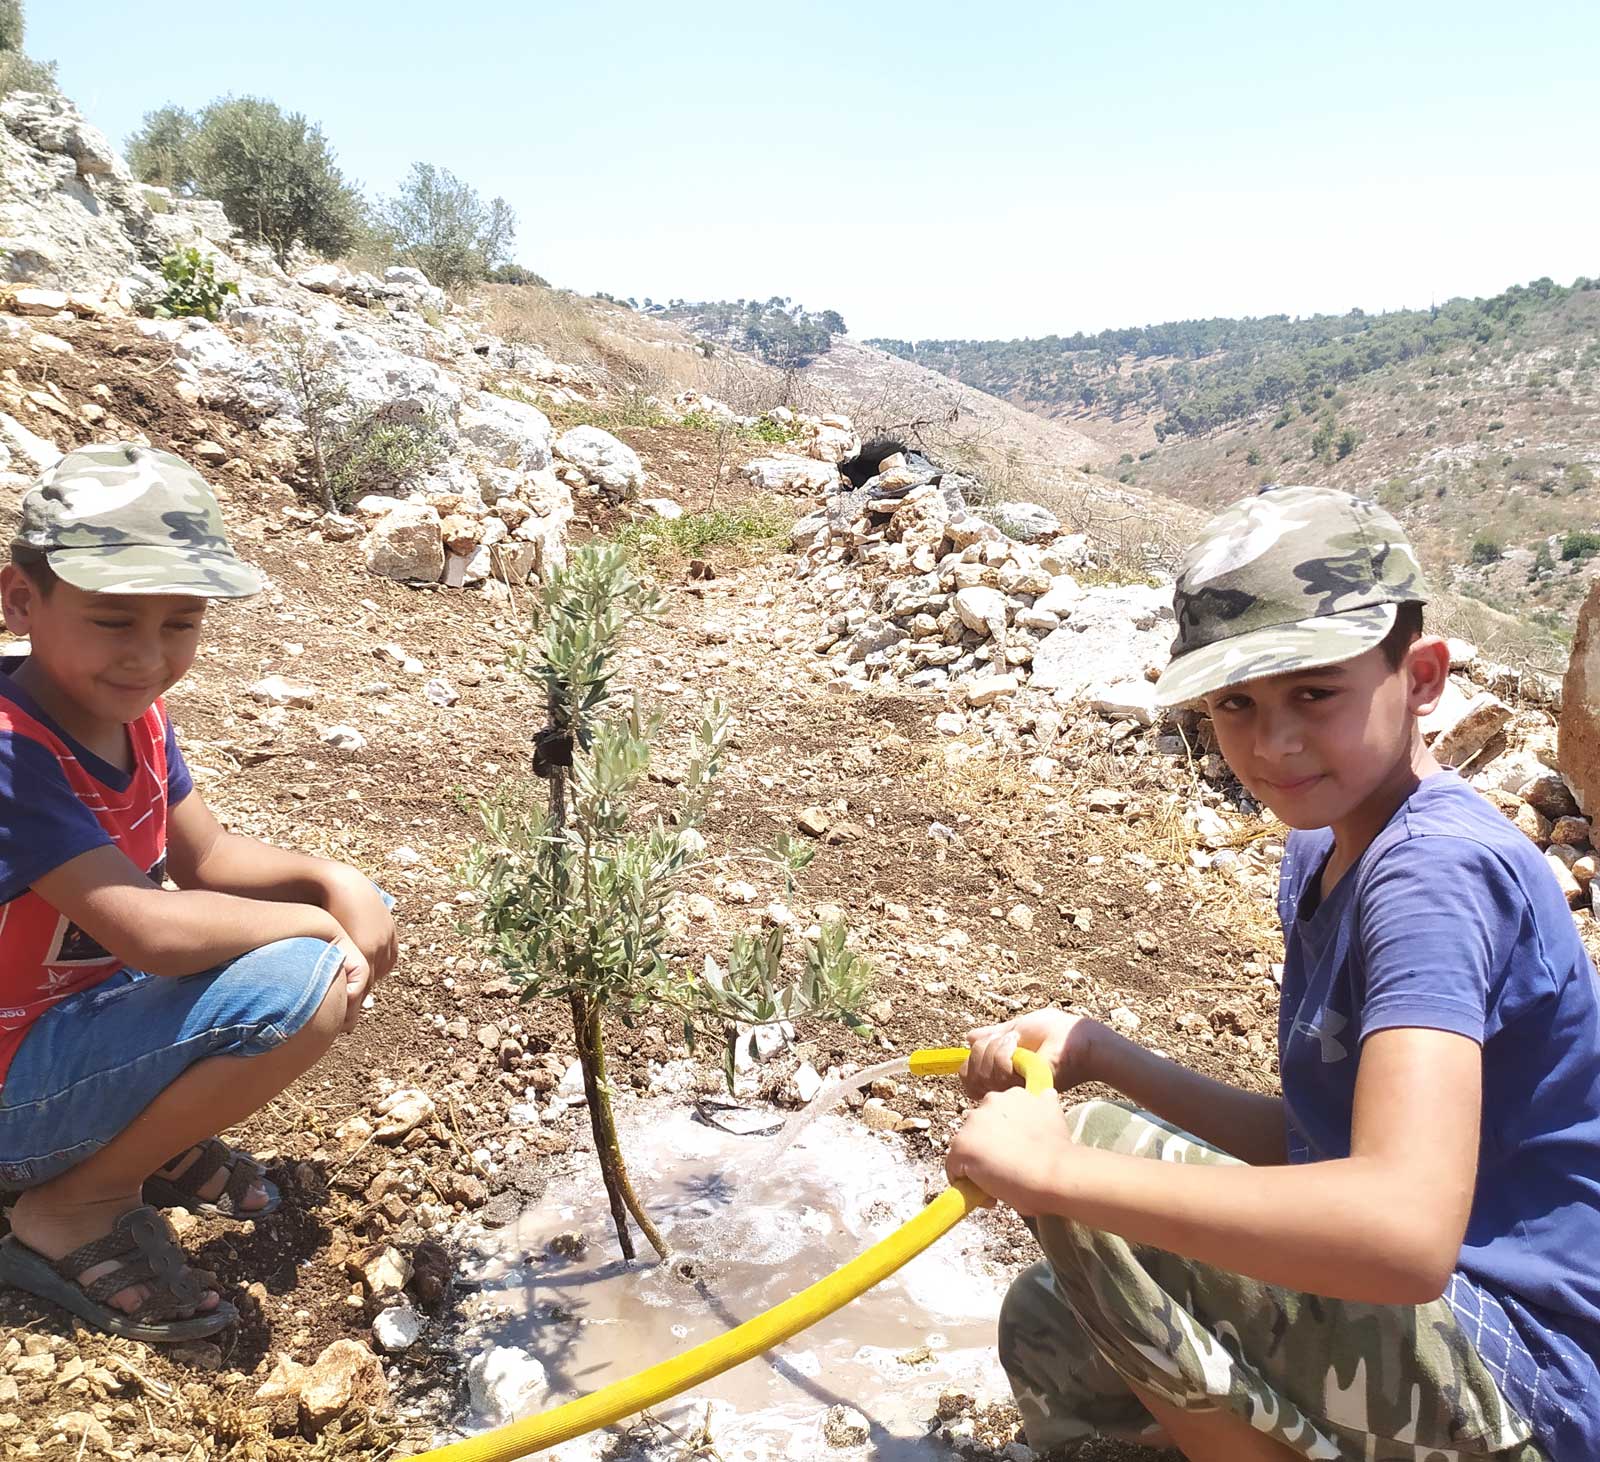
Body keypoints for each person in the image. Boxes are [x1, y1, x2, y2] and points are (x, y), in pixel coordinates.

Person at [948, 485, 1600, 1462]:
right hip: (1427, 1331)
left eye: (1314, 693)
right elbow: (1317, 1147)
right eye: (1235, 704)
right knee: (1050, 1322)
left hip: (1524, 1373)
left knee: (1098, 1162)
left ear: (1420, 678)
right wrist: (1103, 1053)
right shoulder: (1323, 847)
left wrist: (1059, 1168)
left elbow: (1398, 1230)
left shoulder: (1431, 875)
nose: (1272, 741)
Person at [0, 443, 396, 1343]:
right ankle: (73, 1203)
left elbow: (207, 858)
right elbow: (146, 929)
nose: (147, 657)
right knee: (301, 981)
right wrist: (312, 921)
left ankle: (127, 1133)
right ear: (23, 600)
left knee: (313, 934)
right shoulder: (11, 753)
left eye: (180, 624)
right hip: (12, 1082)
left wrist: (337, 881)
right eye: (113, 622)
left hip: (63, 1031)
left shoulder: (134, 718)